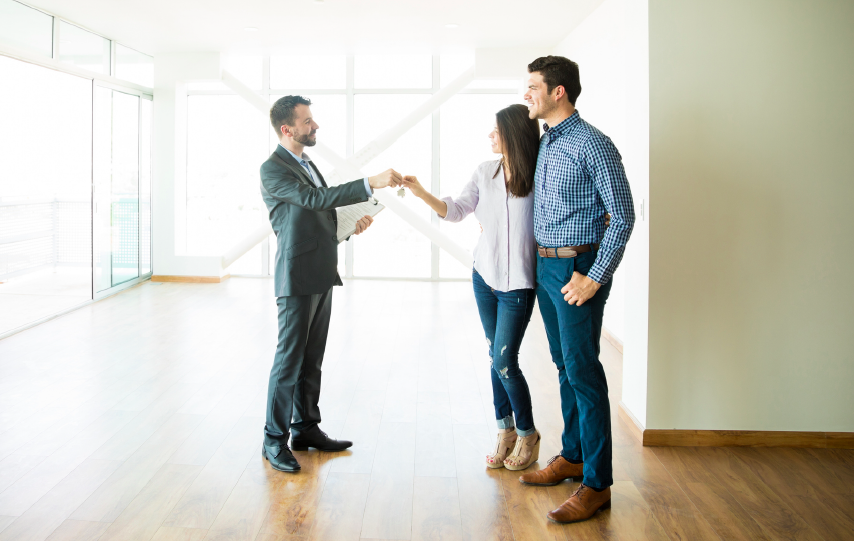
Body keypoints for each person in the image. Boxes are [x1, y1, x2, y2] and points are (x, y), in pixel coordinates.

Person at [517, 56, 635, 523]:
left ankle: (598, 483)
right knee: (564, 365)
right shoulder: (547, 142)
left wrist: (595, 275)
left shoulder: (593, 144)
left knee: (584, 372)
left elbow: (622, 215)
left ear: (558, 91)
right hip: (547, 267)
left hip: (578, 270)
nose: (526, 94)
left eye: (532, 87)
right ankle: (572, 454)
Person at [260, 95, 401, 473]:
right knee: (288, 361)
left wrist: (347, 228)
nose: (315, 126)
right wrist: (368, 183)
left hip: (321, 270)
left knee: (311, 360)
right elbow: (312, 198)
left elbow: (317, 213)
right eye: (308, 121)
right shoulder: (272, 169)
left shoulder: (308, 163)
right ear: (287, 129)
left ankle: (305, 428)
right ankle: (273, 440)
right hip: (296, 278)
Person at [399, 103, 542, 471]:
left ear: (513, 135)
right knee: (495, 355)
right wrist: (422, 193)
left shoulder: (541, 173)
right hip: (484, 277)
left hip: (519, 285)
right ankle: (505, 430)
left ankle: (528, 433)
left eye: (495, 131)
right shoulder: (485, 171)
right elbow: (457, 210)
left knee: (505, 360)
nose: (490, 137)